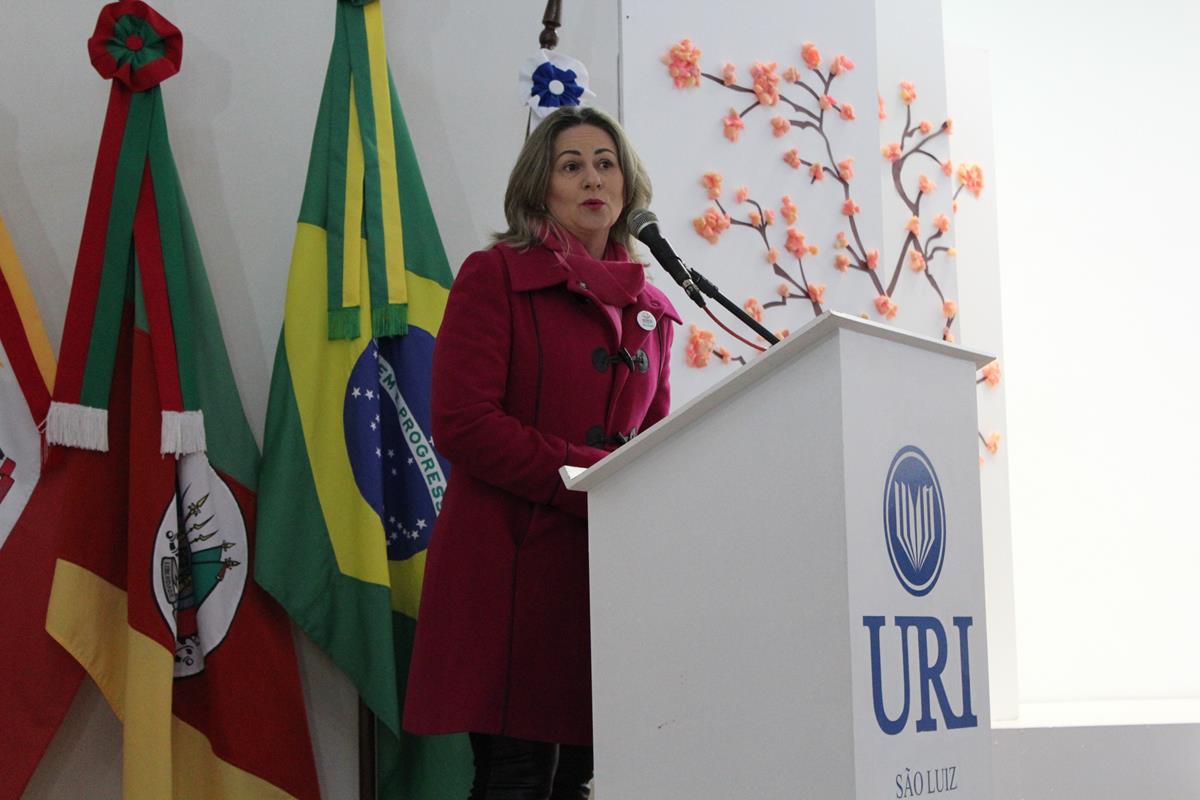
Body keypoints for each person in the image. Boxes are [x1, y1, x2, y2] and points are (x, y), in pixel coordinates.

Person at [403, 106, 680, 799]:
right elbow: (462, 422)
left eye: (606, 164)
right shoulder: (495, 276)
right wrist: (588, 479)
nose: (593, 178)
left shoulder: (652, 309)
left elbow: (657, 437)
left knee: (580, 781)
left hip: (603, 574)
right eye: (572, 165)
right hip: (508, 567)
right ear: (540, 188)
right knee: (517, 778)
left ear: (627, 185)